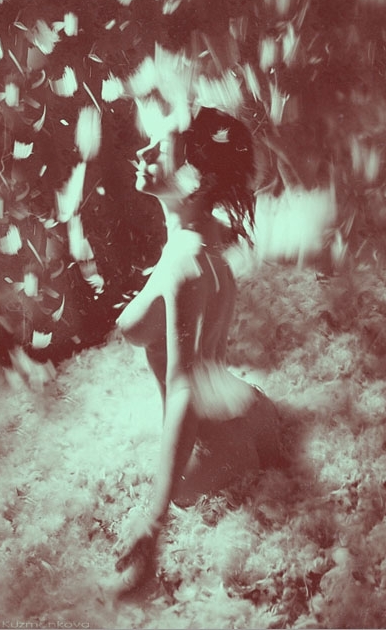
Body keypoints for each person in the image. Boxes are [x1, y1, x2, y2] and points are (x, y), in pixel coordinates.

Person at [114, 106, 281, 591]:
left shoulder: (183, 263)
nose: (143, 151)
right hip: (252, 416)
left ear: (198, 178)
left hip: (204, 459)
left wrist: (154, 518)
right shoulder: (206, 239)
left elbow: (184, 385)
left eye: (160, 148)